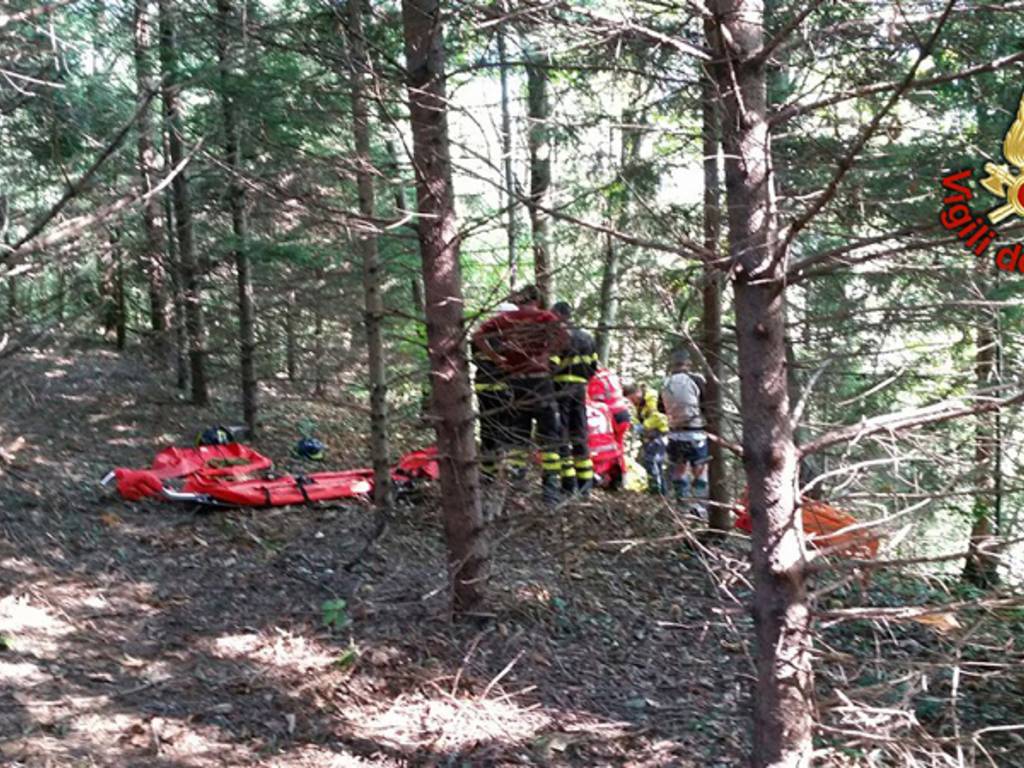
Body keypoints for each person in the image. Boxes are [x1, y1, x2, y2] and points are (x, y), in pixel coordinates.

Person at [472, 285, 568, 505]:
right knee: (549, 436)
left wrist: (498, 359)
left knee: (519, 435)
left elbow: (478, 336)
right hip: (540, 382)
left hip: (516, 383)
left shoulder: (505, 319)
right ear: (537, 299)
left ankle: (518, 487)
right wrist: (546, 353)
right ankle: (550, 492)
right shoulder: (544, 316)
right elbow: (563, 337)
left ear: (519, 299)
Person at [550, 301, 598, 496]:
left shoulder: (558, 336)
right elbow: (593, 367)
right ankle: (585, 484)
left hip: (561, 388)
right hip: (579, 388)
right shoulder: (587, 338)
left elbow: (551, 364)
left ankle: (568, 483)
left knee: (561, 435)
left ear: (559, 315)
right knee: (579, 434)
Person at [660, 349, 710, 514]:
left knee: (679, 469)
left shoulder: (665, 383)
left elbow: (661, 408)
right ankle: (699, 507)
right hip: (695, 432)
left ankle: (682, 507)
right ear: (688, 364)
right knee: (700, 470)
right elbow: (707, 404)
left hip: (674, 434)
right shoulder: (696, 379)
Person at [472, 302, 517, 483]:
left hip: (484, 387)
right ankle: (506, 471)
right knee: (508, 428)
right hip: (505, 388)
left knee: (488, 429)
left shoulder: (481, 336)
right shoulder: (510, 337)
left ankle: (488, 472)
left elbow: (477, 360)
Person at [624, 380, 669, 495]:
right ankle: (658, 492)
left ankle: (658, 492)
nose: (632, 401)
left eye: (632, 398)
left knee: (653, 462)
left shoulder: (651, 397)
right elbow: (636, 418)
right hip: (648, 435)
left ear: (638, 392)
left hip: (659, 433)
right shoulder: (638, 404)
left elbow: (657, 416)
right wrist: (636, 426)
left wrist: (643, 426)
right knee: (651, 463)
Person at [587, 366, 632, 449]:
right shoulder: (610, 375)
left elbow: (593, 402)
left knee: (607, 445)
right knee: (619, 445)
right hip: (623, 413)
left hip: (611, 415)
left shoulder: (593, 379)